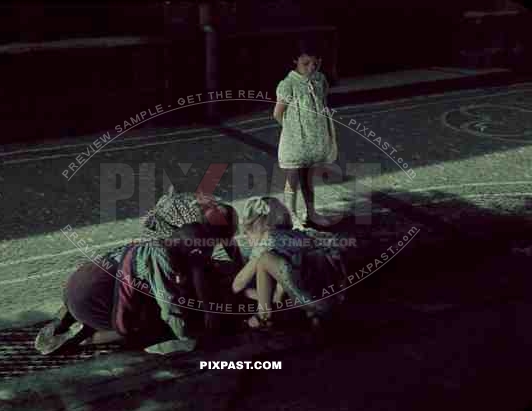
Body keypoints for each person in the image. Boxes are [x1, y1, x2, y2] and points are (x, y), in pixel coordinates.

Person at [35, 194, 241, 355]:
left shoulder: (173, 231)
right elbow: (171, 307)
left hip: (78, 284)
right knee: (150, 329)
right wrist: (191, 332)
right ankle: (84, 337)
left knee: (109, 281)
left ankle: (65, 318)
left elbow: (208, 258)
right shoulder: (165, 259)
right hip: (93, 302)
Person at [231, 196, 347, 330]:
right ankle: (315, 318)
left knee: (264, 261)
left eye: (247, 233)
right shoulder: (301, 234)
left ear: (258, 227)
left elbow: (237, 285)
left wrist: (249, 293)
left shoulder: (268, 240)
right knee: (290, 267)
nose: (247, 238)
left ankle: (263, 317)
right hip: (334, 295)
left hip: (309, 300)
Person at [273, 39, 339, 229]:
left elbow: (322, 104)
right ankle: (291, 215)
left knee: (308, 178)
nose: (311, 68)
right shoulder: (288, 84)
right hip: (295, 141)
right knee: (292, 177)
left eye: (315, 63)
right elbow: (278, 113)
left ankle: (311, 213)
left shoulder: (319, 80)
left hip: (313, 139)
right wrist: (292, 131)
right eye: (306, 64)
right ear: (295, 61)